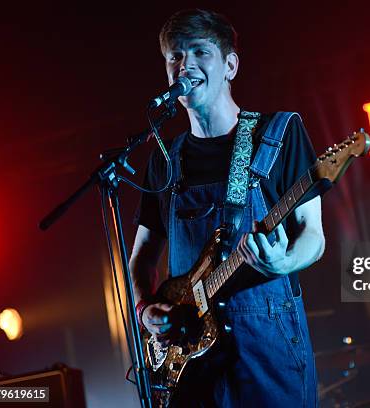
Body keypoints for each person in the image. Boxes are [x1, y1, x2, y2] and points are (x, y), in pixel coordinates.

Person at [129, 9, 325, 407]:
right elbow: (142, 257)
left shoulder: (279, 133)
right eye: (175, 56)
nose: (185, 65)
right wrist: (144, 307)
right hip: (192, 361)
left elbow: (314, 235)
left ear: (230, 65)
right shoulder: (165, 160)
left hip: (266, 351)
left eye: (200, 52)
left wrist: (283, 263)